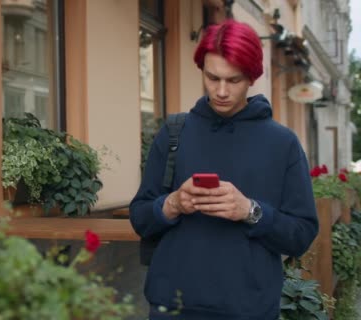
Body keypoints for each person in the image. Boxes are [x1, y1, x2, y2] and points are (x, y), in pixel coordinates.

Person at [129, 20, 319, 320]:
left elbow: (302, 234)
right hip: (172, 308)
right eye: (212, 77)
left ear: (252, 77)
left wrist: (251, 211)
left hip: (248, 310)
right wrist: (172, 204)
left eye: (234, 80)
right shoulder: (174, 133)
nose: (220, 91)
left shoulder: (283, 143)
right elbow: (140, 217)